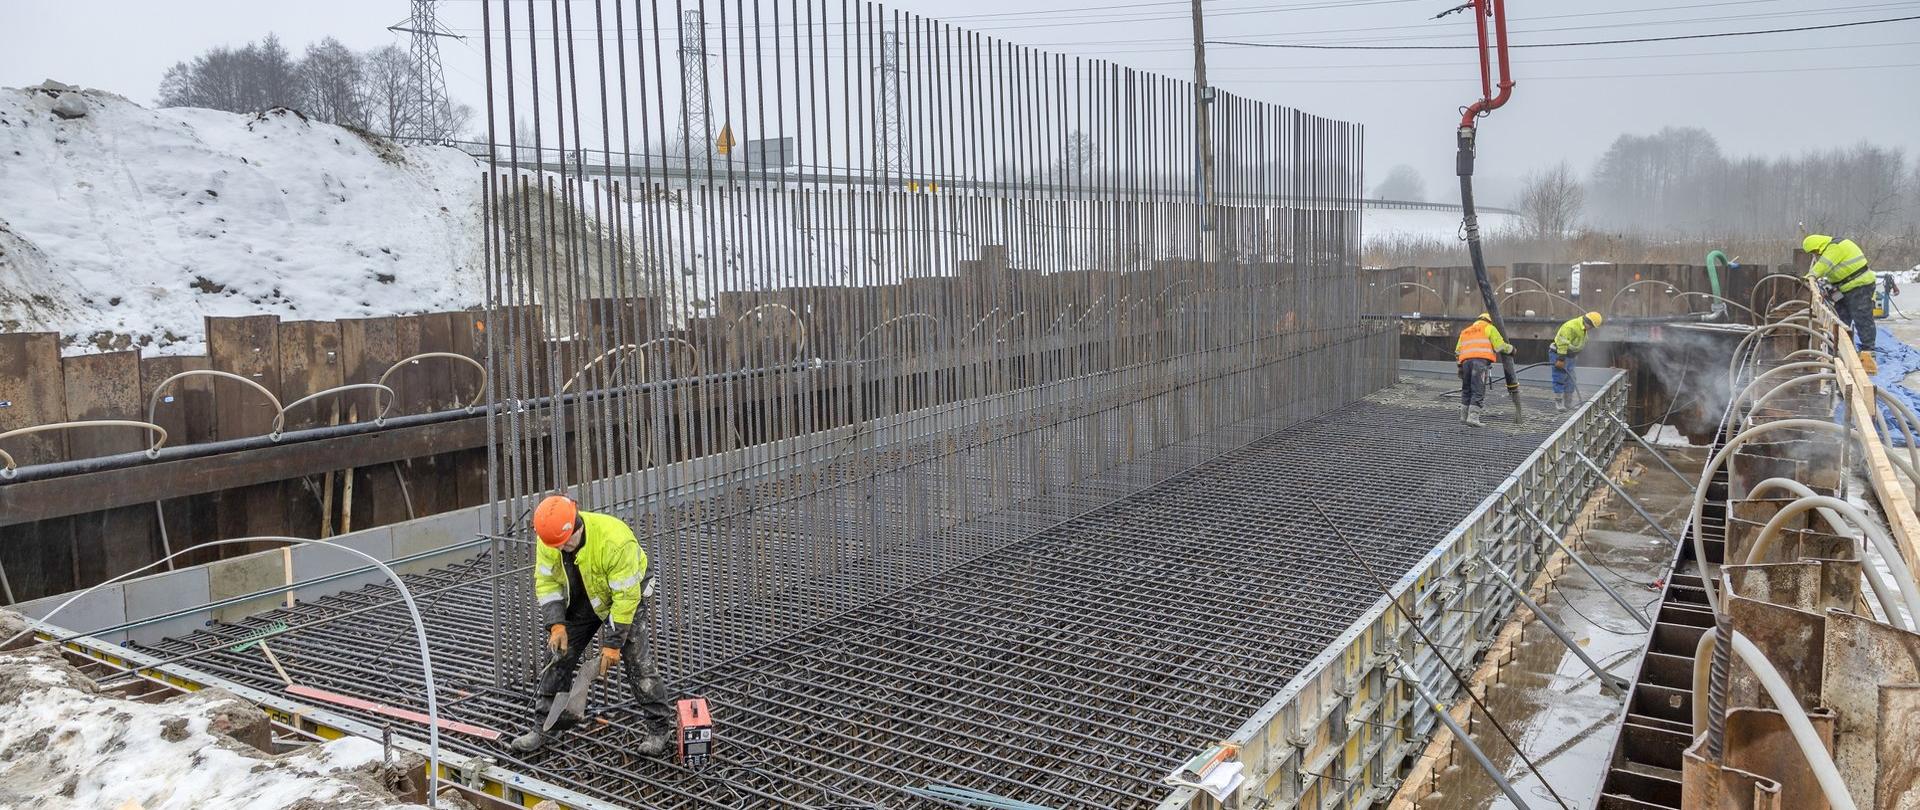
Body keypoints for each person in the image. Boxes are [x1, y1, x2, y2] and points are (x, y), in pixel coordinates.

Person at [509, 495, 675, 754]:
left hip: (626, 595)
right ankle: (543, 727)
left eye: (566, 544)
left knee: (636, 661)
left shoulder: (615, 541)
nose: (563, 549)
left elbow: (625, 598)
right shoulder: (549, 540)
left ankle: (659, 729)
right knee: (558, 656)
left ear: (576, 525)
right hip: (587, 594)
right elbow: (547, 584)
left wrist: (613, 644)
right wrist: (556, 625)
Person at [1802, 234, 1878, 374]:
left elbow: (1823, 266)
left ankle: (1868, 356)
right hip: (1845, 288)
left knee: (1862, 319)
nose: (1815, 255)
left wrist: (1810, 276)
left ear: (1818, 247)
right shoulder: (1830, 249)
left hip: (1860, 285)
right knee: (1839, 320)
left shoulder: (1835, 247)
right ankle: (1838, 353)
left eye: (1814, 252)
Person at [1455, 312, 1514, 427]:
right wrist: (1511, 349)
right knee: (1478, 388)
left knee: (1466, 388)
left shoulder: (1466, 331)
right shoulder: (1489, 328)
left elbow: (1457, 351)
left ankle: (1463, 416)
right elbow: (1500, 346)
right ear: (1489, 321)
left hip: (1465, 362)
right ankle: (1473, 418)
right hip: (1480, 363)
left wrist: (1459, 366)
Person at [1550, 312, 1603, 412]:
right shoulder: (1571, 326)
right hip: (1559, 353)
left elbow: (1578, 343)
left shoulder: (1583, 329)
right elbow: (1562, 342)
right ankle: (1559, 403)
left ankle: (1568, 403)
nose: (1591, 329)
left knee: (1571, 379)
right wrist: (1561, 359)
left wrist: (1575, 354)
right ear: (1588, 323)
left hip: (1570, 356)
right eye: (1591, 327)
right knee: (1560, 377)